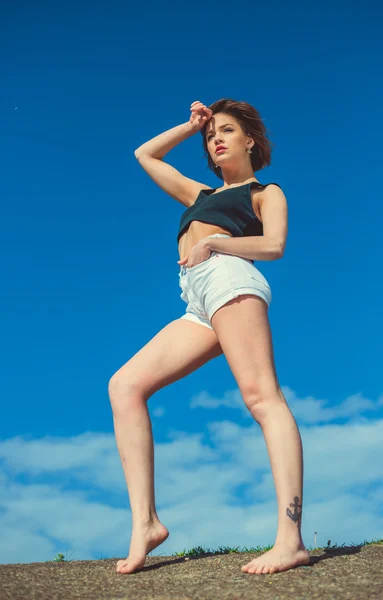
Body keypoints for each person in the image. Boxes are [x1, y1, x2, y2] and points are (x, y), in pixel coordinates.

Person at [109, 99, 310, 575]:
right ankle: (146, 524)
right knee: (125, 386)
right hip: (197, 300)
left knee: (263, 398)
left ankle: (290, 538)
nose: (215, 138)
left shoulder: (265, 191)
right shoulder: (200, 194)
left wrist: (216, 242)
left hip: (230, 279)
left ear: (250, 141)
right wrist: (190, 123)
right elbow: (146, 155)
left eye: (226, 130)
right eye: (210, 134)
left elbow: (274, 245)